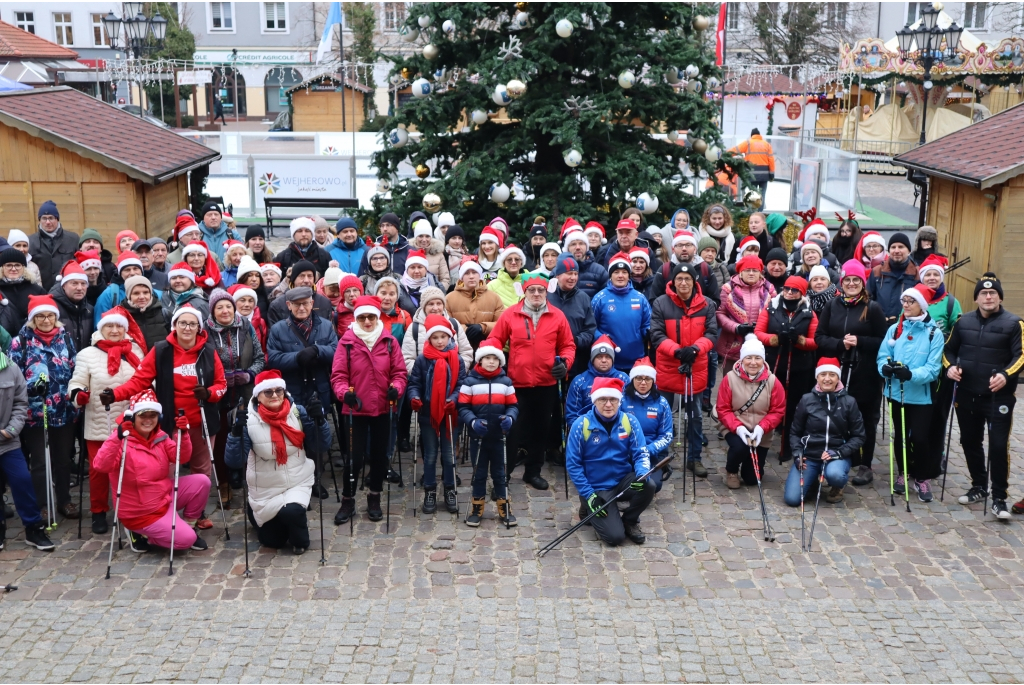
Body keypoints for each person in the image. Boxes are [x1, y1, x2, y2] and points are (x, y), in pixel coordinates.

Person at [101, 304, 226, 530]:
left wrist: (209, 393)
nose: (187, 328)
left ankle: (196, 511)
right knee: (165, 469)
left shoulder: (208, 351)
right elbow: (140, 381)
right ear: (174, 326)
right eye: (182, 323)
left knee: (201, 469)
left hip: (201, 420)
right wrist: (115, 394)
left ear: (199, 327)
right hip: (169, 420)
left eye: (192, 323)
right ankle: (165, 510)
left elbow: (222, 385)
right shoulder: (161, 350)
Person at [944, 273, 1023, 519]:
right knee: (969, 441)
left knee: (998, 445)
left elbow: (1020, 355)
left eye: (993, 293)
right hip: (967, 394)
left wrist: (1006, 375)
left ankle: (999, 497)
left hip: (998, 398)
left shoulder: (1014, 323)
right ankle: (979, 485)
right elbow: (949, 349)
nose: (988, 297)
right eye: (983, 293)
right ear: (976, 297)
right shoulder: (962, 322)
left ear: (999, 297)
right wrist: (951, 367)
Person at [226, 369, 329, 554]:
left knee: (293, 513)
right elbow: (234, 461)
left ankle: (298, 534)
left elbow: (320, 445)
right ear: (258, 396)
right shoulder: (249, 420)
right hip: (266, 489)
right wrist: (235, 434)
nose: (274, 395)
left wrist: (320, 421)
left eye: (278, 391)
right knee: (272, 541)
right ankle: (259, 512)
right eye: (268, 392)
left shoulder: (298, 412)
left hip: (296, 481)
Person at [93, 390, 208, 553]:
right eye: (143, 415)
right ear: (133, 417)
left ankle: (188, 526)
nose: (148, 420)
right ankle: (141, 533)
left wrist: (183, 435)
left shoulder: (159, 435)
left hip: (163, 496)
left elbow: (180, 458)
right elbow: (100, 465)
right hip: (141, 512)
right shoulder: (122, 440)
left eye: (152, 416)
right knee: (185, 541)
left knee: (201, 482)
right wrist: (116, 437)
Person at [490, 273, 576, 490]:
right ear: (524, 292)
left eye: (540, 290)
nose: (536, 294)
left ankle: (533, 472)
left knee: (541, 429)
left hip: (546, 383)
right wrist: (492, 362)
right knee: (512, 430)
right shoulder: (511, 314)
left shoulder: (557, 316)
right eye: (532, 290)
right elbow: (495, 340)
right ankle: (504, 476)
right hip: (516, 383)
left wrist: (565, 363)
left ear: (546, 292)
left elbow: (568, 345)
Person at [68, 307, 144, 534]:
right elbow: (76, 383)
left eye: (119, 326)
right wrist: (79, 394)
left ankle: (128, 510)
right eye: (109, 326)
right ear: (101, 329)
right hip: (100, 420)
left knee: (130, 468)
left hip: (131, 421)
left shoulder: (136, 352)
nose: (114, 330)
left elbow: (146, 379)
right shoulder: (87, 354)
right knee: (98, 471)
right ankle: (99, 512)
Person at [814, 260, 888, 486]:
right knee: (837, 416)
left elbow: (884, 341)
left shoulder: (872, 307)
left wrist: (860, 341)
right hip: (837, 370)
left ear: (863, 283)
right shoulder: (832, 305)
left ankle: (865, 464)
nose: (852, 284)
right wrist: (839, 344)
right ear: (842, 282)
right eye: (848, 280)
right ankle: (842, 457)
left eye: (856, 280)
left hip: (865, 373)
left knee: (866, 418)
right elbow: (819, 337)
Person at [9, 295, 79, 520]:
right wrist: (32, 388)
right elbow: (13, 376)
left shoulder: (65, 338)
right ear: (32, 319)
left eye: (50, 315)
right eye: (40, 316)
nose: (46, 320)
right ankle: (42, 503)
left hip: (63, 410)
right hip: (35, 413)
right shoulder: (20, 342)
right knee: (39, 461)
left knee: (63, 459)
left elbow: (75, 367)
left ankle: (64, 500)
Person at [650, 263, 719, 478]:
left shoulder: (706, 304)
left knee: (696, 416)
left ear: (694, 281)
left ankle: (694, 458)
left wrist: (696, 349)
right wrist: (677, 351)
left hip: (695, 366)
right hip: (669, 365)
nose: (683, 283)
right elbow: (656, 334)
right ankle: (661, 459)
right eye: (679, 278)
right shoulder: (661, 303)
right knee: (663, 414)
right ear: (672, 281)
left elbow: (712, 333)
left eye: (687, 279)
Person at [565, 377, 652, 546]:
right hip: (597, 487)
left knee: (649, 485)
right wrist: (590, 495)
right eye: (602, 399)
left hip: (622, 479)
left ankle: (630, 520)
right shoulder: (580, 425)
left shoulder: (630, 421)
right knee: (615, 538)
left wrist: (642, 475)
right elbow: (573, 465)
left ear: (619, 401)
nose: (608, 404)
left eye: (613, 399)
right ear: (594, 400)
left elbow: (641, 454)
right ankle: (586, 505)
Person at [877, 284, 944, 503]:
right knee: (901, 436)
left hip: (921, 395)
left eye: (910, 301)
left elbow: (933, 369)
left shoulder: (934, 332)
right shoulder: (895, 328)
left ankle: (922, 477)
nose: (905, 305)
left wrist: (911, 374)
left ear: (921, 305)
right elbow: (883, 354)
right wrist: (885, 368)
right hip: (896, 392)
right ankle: (903, 472)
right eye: (903, 301)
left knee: (920, 438)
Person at [206, 289, 266, 506]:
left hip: (244, 392)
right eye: (219, 307)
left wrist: (248, 374)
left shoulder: (246, 327)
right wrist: (219, 378)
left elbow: (260, 357)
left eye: (228, 306)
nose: (224, 311)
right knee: (222, 439)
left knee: (246, 435)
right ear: (212, 310)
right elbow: (202, 361)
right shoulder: (206, 331)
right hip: (219, 394)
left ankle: (246, 477)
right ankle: (224, 483)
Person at [784, 358, 866, 506]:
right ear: (817, 377)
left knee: (835, 474)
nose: (827, 379)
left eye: (832, 375)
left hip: (836, 456)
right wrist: (797, 454)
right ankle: (812, 480)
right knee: (792, 499)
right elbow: (795, 432)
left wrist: (839, 452)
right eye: (823, 374)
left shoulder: (849, 402)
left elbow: (859, 436)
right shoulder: (806, 400)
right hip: (810, 456)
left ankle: (837, 486)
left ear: (838, 378)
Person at [407, 314, 467, 514]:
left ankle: (450, 489)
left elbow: (461, 385)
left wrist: (454, 399)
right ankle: (430, 490)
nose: (440, 341)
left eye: (443, 337)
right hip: (428, 413)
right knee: (430, 455)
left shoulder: (456, 359)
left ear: (450, 337)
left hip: (450, 414)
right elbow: (414, 383)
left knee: (449, 455)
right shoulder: (423, 360)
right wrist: (415, 397)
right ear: (429, 339)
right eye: (435, 337)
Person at [755, 276, 818, 462]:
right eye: (787, 288)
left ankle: (788, 444)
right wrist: (775, 339)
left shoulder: (809, 313)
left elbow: (815, 341)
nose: (789, 292)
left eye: (795, 290)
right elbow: (758, 332)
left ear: (802, 293)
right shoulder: (771, 308)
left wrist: (799, 340)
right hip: (775, 362)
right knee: (769, 403)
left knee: (793, 407)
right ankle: (763, 440)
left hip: (799, 367)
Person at [0, 342, 56, 550]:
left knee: (22, 481)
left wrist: (10, 431)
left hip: (8, 441)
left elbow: (20, 403)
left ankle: (33, 528)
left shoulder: (11, 368)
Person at [458, 339, 519, 526]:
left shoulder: (506, 382)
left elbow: (513, 406)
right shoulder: (469, 382)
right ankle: (477, 507)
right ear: (480, 361)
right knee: (479, 473)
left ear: (500, 362)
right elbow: (463, 407)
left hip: (499, 437)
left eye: (495, 358)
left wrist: (509, 418)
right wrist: (473, 421)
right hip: (479, 437)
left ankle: (505, 505)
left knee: (500, 473)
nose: (491, 362)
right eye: (487, 358)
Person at [716, 335, 786, 488]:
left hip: (762, 430)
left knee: (751, 479)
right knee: (740, 448)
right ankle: (732, 470)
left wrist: (762, 428)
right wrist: (739, 428)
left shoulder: (773, 381)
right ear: (741, 359)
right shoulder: (729, 378)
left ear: (763, 360)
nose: (753, 363)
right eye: (748, 358)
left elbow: (778, 410)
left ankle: (751, 462)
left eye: (757, 358)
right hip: (735, 425)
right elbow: (723, 409)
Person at [620, 358, 673, 492]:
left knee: (654, 485)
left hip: (650, 453)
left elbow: (666, 436)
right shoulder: (621, 400)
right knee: (618, 482)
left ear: (653, 381)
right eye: (638, 378)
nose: (643, 383)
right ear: (632, 379)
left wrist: (647, 450)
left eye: (647, 379)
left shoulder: (662, 403)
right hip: (625, 451)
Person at [592, 252, 651, 372]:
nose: (620, 276)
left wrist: (648, 333)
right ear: (610, 275)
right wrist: (602, 337)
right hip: (608, 363)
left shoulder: (640, 298)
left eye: (624, 272)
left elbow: (648, 324)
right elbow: (591, 326)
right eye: (616, 272)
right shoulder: (600, 298)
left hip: (636, 361)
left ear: (629, 275)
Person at [716, 255, 775, 375]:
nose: (751, 273)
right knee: (732, 382)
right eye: (747, 270)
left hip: (760, 343)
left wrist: (761, 327)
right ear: (740, 273)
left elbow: (774, 314)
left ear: (760, 273)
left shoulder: (769, 290)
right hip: (733, 343)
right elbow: (720, 314)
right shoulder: (728, 289)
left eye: (755, 270)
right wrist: (736, 327)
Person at [546, 255, 596, 379]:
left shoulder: (583, 298)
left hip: (576, 360)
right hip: (549, 359)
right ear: (557, 275)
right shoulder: (546, 295)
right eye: (568, 273)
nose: (573, 278)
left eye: (575, 274)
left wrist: (574, 340)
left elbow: (589, 330)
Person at [565, 335, 630, 427]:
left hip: (618, 429)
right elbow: (572, 415)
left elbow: (629, 409)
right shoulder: (579, 381)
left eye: (607, 357)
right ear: (592, 359)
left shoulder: (623, 378)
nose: (604, 360)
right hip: (588, 430)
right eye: (599, 357)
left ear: (612, 359)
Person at [446, 261, 506, 349]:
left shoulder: (494, 297)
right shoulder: (449, 298)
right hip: (460, 348)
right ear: (461, 277)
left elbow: (501, 324)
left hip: (487, 350)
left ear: (480, 275)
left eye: (474, 272)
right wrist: (465, 330)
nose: (471, 276)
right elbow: (446, 323)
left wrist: (482, 327)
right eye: (466, 273)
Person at [94, 251, 158, 327]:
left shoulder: (151, 291)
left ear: (141, 271)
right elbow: (100, 326)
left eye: (136, 268)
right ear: (120, 273)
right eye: (127, 270)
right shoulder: (109, 295)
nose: (132, 273)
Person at [868, 233, 919, 324]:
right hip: (880, 325)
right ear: (888, 250)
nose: (896, 250)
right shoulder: (877, 272)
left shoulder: (917, 274)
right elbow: (867, 299)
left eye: (901, 247)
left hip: (907, 326)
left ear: (909, 251)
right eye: (893, 247)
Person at [28, 200, 79, 290]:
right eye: (44, 218)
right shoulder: (30, 241)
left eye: (51, 218)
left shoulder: (73, 239)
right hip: (40, 292)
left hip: (66, 292)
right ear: (40, 220)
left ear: (57, 219)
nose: (48, 222)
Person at [267, 261, 334, 327]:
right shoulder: (277, 305)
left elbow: (330, 331)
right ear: (293, 279)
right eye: (302, 276)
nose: (306, 280)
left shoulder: (324, 303)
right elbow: (274, 333)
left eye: (310, 276)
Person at [50, 260, 94, 356]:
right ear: (64, 285)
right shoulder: (51, 308)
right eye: (74, 283)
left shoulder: (90, 309)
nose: (79, 288)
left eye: (83, 284)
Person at [0, 247, 46, 337]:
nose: (13, 269)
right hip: (4, 341)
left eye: (17, 265)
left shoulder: (37, 290)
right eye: (9, 265)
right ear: (2, 268)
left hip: (32, 341)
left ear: (23, 267)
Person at [121, 275, 167, 351]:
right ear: (129, 295)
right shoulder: (121, 316)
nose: (142, 297)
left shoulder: (164, 313)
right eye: (136, 293)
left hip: (160, 360)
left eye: (146, 292)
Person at [562, 226, 607, 299]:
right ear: (567, 248)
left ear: (587, 247)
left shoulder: (599, 271)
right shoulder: (559, 271)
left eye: (581, 243)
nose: (578, 247)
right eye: (573, 244)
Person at [729, 128, 775, 196]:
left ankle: (753, 206)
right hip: (764, 175)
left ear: (751, 135)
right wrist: (772, 174)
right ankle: (760, 207)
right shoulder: (767, 145)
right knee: (762, 194)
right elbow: (771, 160)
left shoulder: (748, 143)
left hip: (752, 174)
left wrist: (725, 154)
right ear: (759, 135)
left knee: (753, 195)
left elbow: (736, 150)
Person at [410, 219, 451, 290]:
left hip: (434, 297)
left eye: (427, 236)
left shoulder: (438, 254)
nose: (424, 239)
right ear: (416, 237)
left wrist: (436, 294)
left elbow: (445, 279)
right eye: (421, 236)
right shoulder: (409, 252)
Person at [197, 201, 238, 265]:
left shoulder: (233, 235)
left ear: (221, 217)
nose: (213, 217)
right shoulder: (196, 235)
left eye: (216, 214)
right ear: (203, 218)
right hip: (205, 273)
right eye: (209, 215)